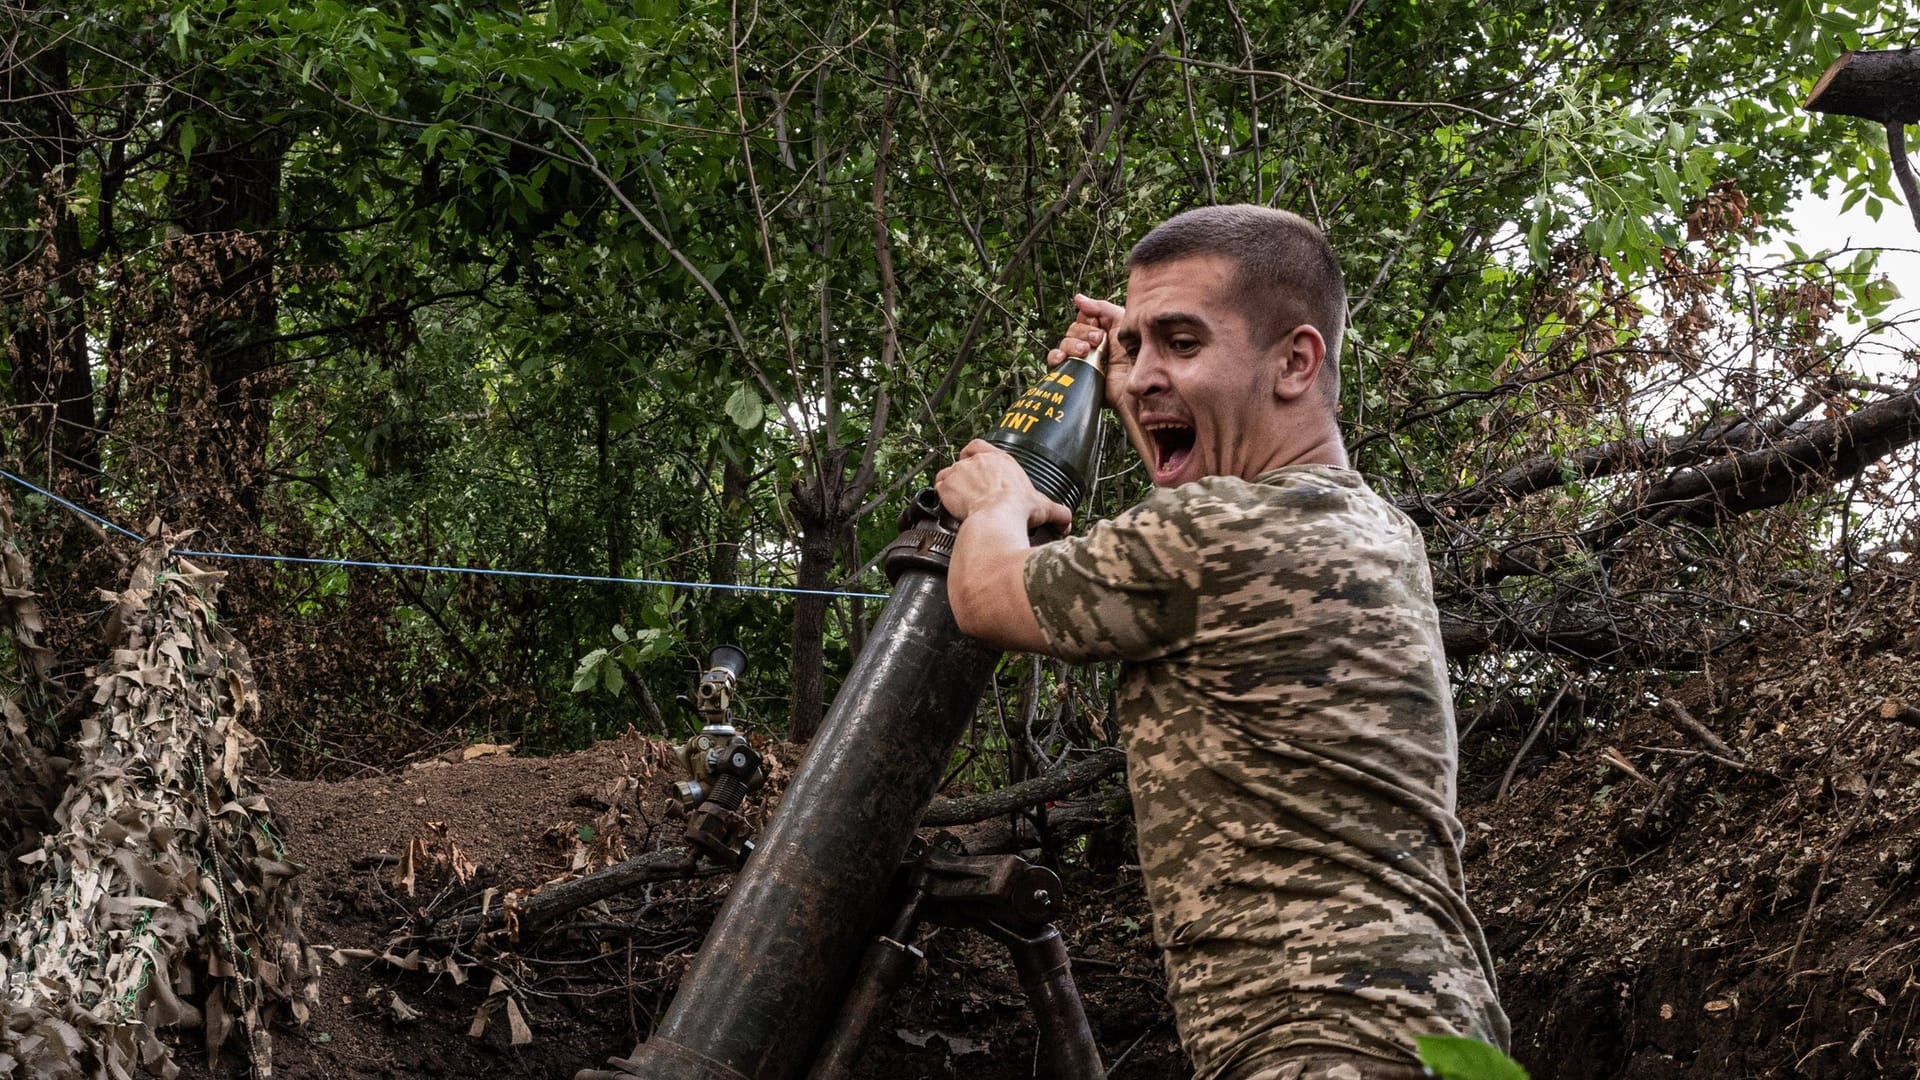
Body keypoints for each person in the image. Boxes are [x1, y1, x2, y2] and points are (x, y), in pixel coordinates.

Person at [933, 205, 1509, 1080]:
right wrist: (1111, 371)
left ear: (1294, 361)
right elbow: (1185, 494)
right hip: (1433, 1034)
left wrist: (997, 501)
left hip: (1321, 1046)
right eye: (1135, 348)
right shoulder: (1370, 527)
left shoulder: (1216, 537)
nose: (1142, 378)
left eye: (1183, 343)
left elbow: (985, 596)